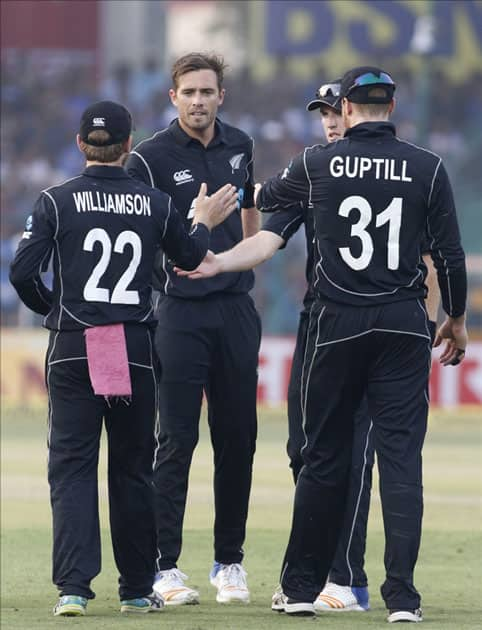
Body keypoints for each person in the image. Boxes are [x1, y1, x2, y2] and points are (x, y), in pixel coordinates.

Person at [176, 80, 441, 614]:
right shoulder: (318, 175)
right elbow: (269, 239)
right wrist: (218, 261)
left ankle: (346, 581)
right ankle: (325, 576)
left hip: (361, 324)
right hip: (322, 326)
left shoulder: (365, 171)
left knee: (356, 451)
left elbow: (433, 257)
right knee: (309, 452)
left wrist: (431, 315)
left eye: (334, 112)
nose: (329, 122)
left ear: (353, 110)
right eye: (322, 115)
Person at [9, 100, 238, 617]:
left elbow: (23, 273)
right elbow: (189, 258)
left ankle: (73, 588)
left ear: (79, 145)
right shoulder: (155, 202)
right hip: (130, 343)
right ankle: (136, 588)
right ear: (129, 146)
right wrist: (200, 221)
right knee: (134, 468)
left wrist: (56, 311)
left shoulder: (54, 200)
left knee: (71, 466)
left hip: (75, 343)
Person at [256, 66, 468, 623]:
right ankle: (402, 599)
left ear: (346, 109)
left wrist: (225, 201)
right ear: (392, 107)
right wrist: (457, 318)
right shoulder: (429, 167)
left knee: (323, 456)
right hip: (402, 323)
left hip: (336, 321)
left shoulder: (316, 163)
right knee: (400, 462)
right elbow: (449, 254)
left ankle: (302, 589)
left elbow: (265, 196)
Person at [125, 52, 261, 605]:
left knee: (239, 439)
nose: (199, 101)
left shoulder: (241, 146)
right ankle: (165, 567)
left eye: (208, 92)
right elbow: (143, 237)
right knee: (176, 439)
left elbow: (251, 211)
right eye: (190, 92)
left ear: (221, 96)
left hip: (234, 308)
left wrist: (247, 256)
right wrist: (196, 225)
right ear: (172, 97)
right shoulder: (149, 159)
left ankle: (229, 563)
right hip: (179, 310)